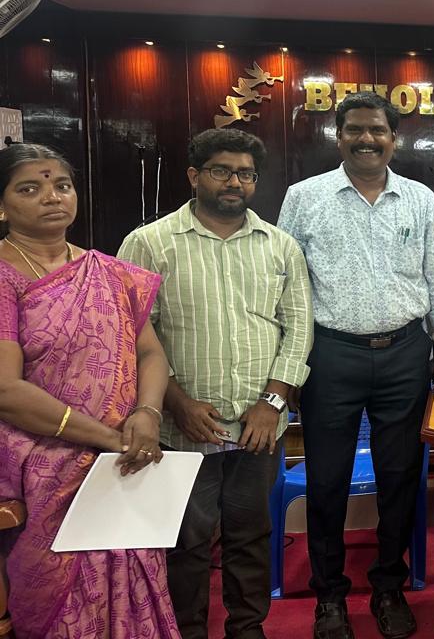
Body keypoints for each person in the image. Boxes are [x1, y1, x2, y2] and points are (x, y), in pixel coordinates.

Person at [278, 92, 434, 639]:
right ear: (338, 135)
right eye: (355, 130)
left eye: (377, 131)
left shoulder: (418, 198)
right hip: (330, 355)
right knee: (327, 480)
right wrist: (288, 363)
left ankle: (389, 586)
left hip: (405, 355)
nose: (367, 140)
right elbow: (285, 284)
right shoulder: (304, 197)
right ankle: (329, 596)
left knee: (400, 477)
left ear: (393, 138)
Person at [118, 128, 314, 639]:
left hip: (257, 426)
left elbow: (298, 328)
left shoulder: (280, 246)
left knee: (251, 535)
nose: (234, 183)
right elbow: (132, 333)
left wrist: (273, 402)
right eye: (221, 171)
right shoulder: (149, 243)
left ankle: (248, 629)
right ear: (194, 175)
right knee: (186, 540)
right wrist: (175, 402)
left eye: (245, 174)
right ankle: (188, 631)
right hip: (182, 428)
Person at [0, 143, 178, 638]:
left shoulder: (109, 271)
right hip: (44, 463)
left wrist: (147, 414)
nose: (52, 197)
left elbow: (151, 354)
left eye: (62, 185)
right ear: (2, 206)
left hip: (121, 459)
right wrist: (108, 438)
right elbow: (5, 390)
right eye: (29, 189)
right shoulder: (4, 276)